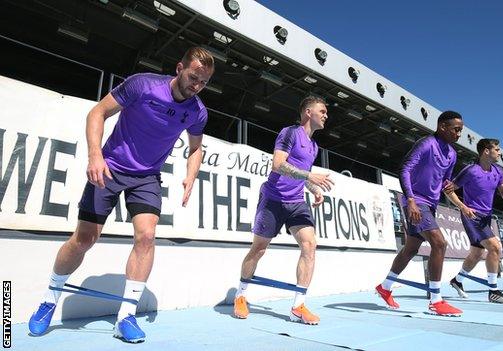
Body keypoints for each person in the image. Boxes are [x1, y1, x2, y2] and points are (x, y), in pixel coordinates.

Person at [28, 47, 214, 342]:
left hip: (147, 177)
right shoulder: (143, 84)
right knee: (84, 239)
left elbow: (195, 147)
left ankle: (125, 317)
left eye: (203, 82)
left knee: (147, 236)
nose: (197, 86)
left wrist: (192, 174)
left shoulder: (197, 111)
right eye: (193, 77)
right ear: (180, 68)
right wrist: (94, 156)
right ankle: (49, 300)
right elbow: (97, 112)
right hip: (111, 167)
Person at [233, 96, 334, 325]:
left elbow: (300, 174)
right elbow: (278, 165)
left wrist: (314, 188)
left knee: (310, 244)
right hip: (273, 199)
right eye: (323, 111)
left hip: (297, 202)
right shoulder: (290, 133)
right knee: (258, 249)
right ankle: (241, 294)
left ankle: (298, 306)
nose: (326, 115)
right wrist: (309, 176)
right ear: (308, 112)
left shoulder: (314, 146)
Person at [375, 111, 464, 316]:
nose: (459, 134)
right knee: (439, 243)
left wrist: (458, 199)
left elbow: (445, 183)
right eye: (456, 129)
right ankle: (436, 300)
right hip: (416, 202)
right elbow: (404, 169)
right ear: (442, 126)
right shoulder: (426, 143)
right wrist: (411, 200)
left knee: (411, 249)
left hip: (430, 204)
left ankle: (385, 287)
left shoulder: (452, 154)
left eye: (461, 131)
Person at [444, 138, 503, 304]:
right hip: (472, 215)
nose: (499, 153)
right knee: (495, 247)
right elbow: (448, 190)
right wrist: (463, 207)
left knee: (476, 254)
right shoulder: (470, 170)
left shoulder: (498, 171)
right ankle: (493, 291)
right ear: (486, 151)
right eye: (497, 149)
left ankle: (457, 280)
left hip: (487, 217)